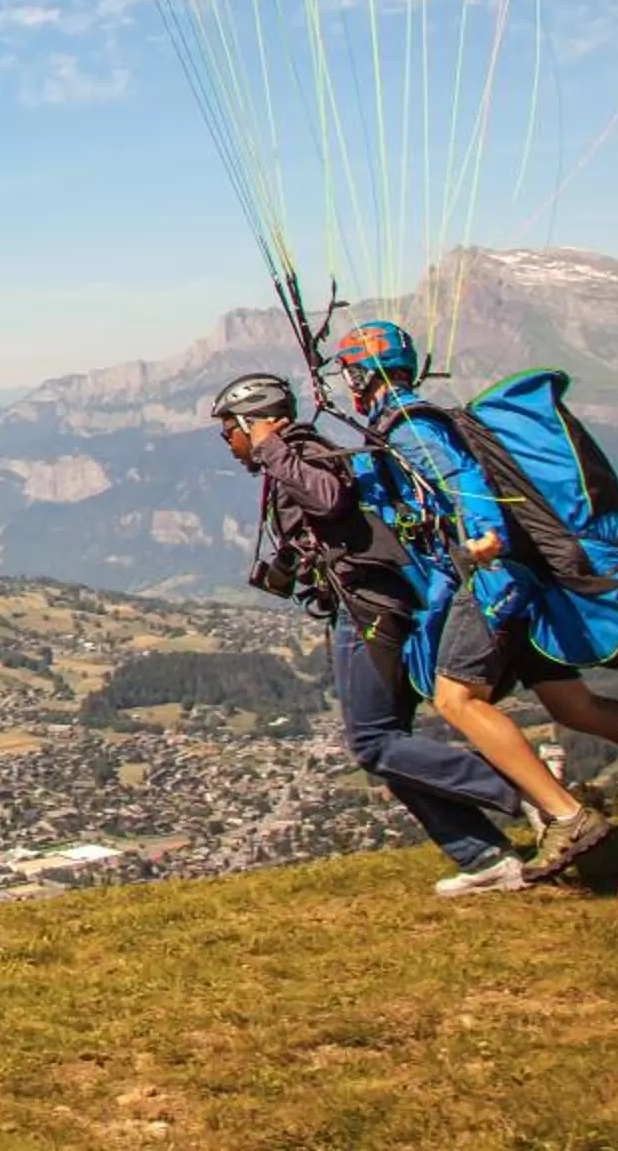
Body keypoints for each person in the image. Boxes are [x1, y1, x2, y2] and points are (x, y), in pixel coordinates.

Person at [327, 321, 618, 883]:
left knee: (456, 699)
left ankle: (566, 818)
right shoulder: (407, 420)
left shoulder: (407, 425)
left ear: (361, 374)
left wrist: (483, 537)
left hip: (493, 582)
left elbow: (462, 478)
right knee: (575, 707)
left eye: (349, 373)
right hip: (519, 581)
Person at [212, 371, 536, 897]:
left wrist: (271, 447)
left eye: (230, 431)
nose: (228, 444)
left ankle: (526, 789)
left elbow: (329, 499)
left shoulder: (303, 451)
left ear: (254, 422)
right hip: (367, 605)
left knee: (373, 743)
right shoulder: (292, 458)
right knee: (389, 743)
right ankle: (484, 856)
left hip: (370, 608)